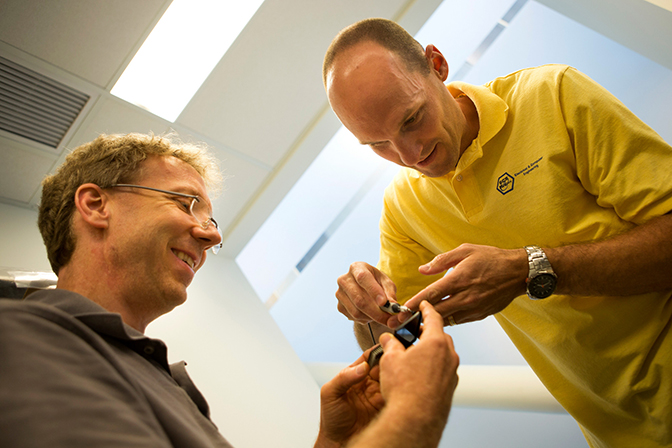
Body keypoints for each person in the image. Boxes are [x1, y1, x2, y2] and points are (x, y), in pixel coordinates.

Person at [322, 17, 672, 448]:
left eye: (412, 119)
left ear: (437, 64)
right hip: (621, 434)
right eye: (377, 144)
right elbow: (400, 335)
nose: (409, 154)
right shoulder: (402, 208)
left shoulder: (552, 95)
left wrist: (529, 269)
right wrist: (368, 312)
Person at [0, 132, 459, 448]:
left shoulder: (167, 385)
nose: (212, 236)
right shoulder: (20, 338)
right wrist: (414, 416)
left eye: (211, 220)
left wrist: (338, 442)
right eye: (186, 204)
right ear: (96, 205)